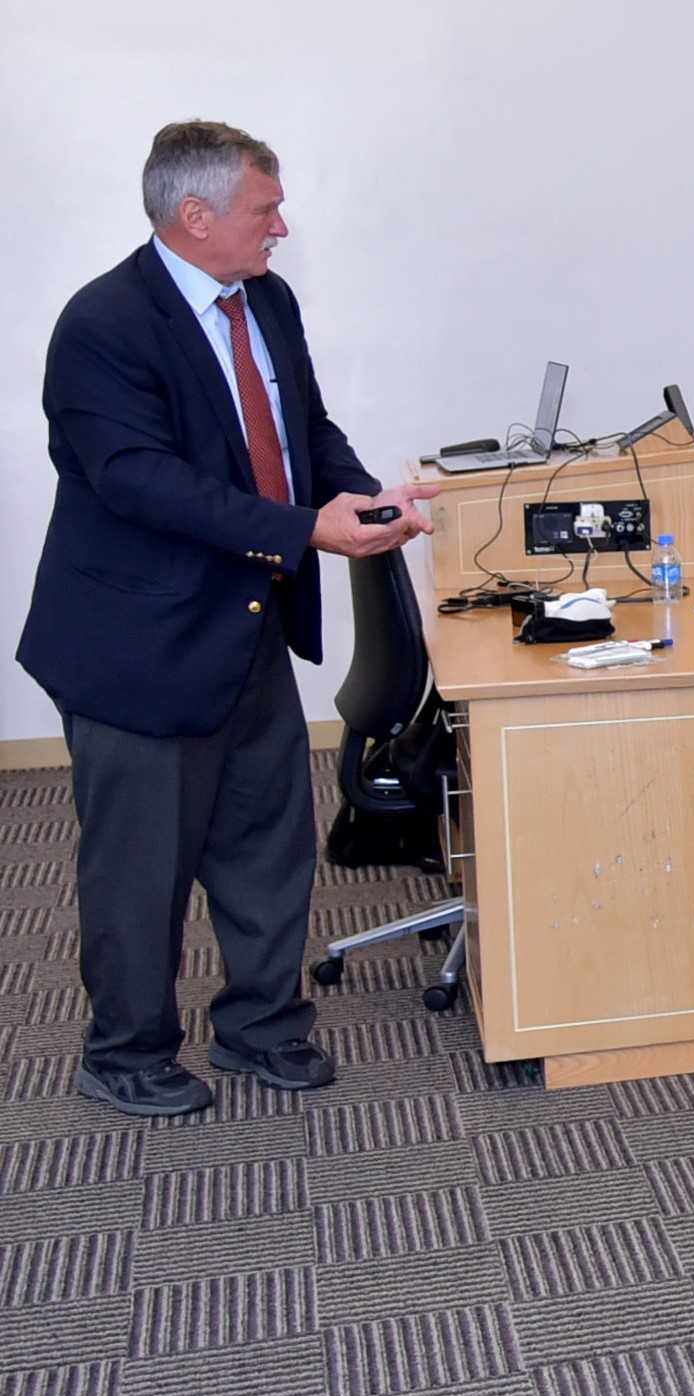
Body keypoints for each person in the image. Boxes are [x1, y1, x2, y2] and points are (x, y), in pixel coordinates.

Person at [21, 122, 439, 1117]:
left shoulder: (267, 301)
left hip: (245, 624)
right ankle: (124, 1053)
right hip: (137, 646)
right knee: (142, 868)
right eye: (266, 208)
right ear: (195, 214)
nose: (281, 227)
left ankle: (262, 1028)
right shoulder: (104, 325)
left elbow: (302, 431)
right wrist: (302, 530)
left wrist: (355, 498)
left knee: (266, 843)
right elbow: (141, 482)